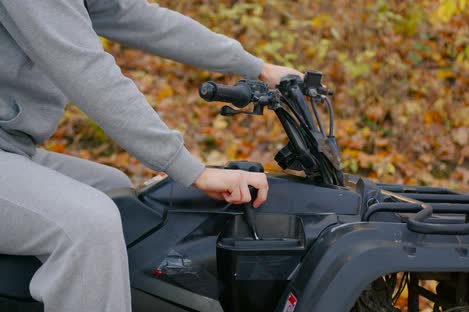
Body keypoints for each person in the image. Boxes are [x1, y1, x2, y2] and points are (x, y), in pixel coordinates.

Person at [0, 0, 302, 311]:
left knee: (118, 194)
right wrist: (191, 170)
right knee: (90, 223)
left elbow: (139, 18)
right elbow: (84, 69)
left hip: (12, 147)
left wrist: (258, 67)